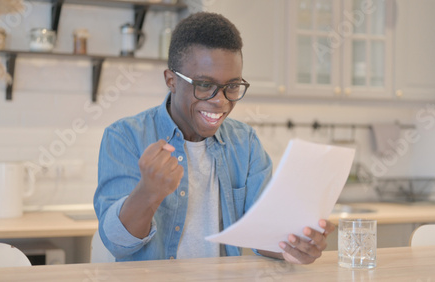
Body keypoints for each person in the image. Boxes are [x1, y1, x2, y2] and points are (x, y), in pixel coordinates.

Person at [94, 12, 334, 264]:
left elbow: (265, 236)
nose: (220, 101)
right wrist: (148, 192)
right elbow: (116, 244)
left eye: (231, 86)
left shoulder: (245, 142)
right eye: (204, 85)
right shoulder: (125, 137)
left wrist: (295, 247)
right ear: (171, 80)